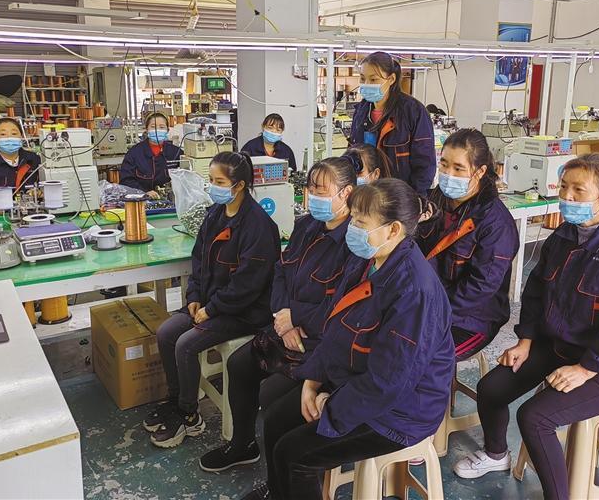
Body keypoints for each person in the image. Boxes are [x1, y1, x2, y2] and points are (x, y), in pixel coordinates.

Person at [454, 154, 599, 500]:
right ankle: (496, 455)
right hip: (560, 346)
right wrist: (525, 340)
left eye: (579, 190)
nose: (567, 197)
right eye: (564, 187)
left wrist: (586, 368)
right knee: (492, 388)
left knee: (535, 417)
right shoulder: (565, 236)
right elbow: (536, 291)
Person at [241, 179, 455, 500]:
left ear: (393, 229)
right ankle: (277, 493)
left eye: (360, 222)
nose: (352, 228)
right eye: (353, 217)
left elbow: (390, 381)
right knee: (274, 420)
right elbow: (336, 329)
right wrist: (313, 380)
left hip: (399, 411)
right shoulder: (367, 260)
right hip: (356, 380)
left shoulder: (414, 291)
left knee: (295, 455)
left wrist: (333, 407)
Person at [199, 156, 356, 473]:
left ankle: (286, 477)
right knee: (239, 364)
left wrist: (296, 317)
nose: (313, 196)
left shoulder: (354, 241)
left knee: (274, 402)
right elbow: (281, 270)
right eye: (310, 189)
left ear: (347, 193)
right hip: (288, 328)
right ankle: (243, 445)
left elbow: (342, 305)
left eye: (322, 190)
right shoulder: (307, 226)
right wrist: (284, 317)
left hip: (320, 341)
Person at [144, 151, 280, 449]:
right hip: (210, 301)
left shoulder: (258, 226)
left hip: (244, 311)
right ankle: (176, 400)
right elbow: (199, 259)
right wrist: (194, 295)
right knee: (166, 333)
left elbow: (248, 285)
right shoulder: (215, 215)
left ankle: (189, 415)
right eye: (211, 180)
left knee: (186, 344)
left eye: (219, 182)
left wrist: (212, 309)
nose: (212, 187)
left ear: (239, 185)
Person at [417, 129, 519, 361]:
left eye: (458, 168)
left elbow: (480, 287)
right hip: (427, 302)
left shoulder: (495, 224)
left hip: (470, 319)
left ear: (480, 171)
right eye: (444, 165)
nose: (448, 174)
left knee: (423, 359)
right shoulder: (434, 201)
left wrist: (434, 310)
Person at [349, 51, 436, 193]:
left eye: (373, 79)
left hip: (400, 195)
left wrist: (414, 198)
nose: (366, 84)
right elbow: (353, 152)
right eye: (363, 78)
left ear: (391, 79)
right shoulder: (361, 111)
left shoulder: (414, 112)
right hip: (367, 193)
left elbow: (425, 164)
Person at [120, 113, 183, 196]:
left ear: (167, 130)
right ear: (146, 129)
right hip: (142, 199)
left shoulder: (176, 152)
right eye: (153, 127)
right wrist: (144, 192)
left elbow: (186, 177)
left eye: (162, 127)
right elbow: (125, 181)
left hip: (171, 199)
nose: (157, 130)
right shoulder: (134, 153)